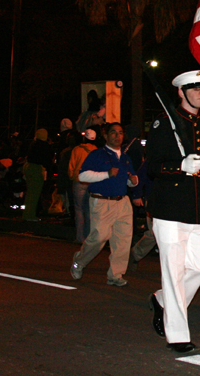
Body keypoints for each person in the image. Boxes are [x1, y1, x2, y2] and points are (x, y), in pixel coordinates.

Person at [144, 70, 200, 354]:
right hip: (170, 208)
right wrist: (179, 168)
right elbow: (152, 166)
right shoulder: (164, 125)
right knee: (173, 272)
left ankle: (163, 300)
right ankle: (177, 334)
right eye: (195, 88)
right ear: (181, 92)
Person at [70, 122, 137, 287]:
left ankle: (116, 274)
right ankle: (80, 261)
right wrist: (106, 174)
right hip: (102, 202)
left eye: (120, 132)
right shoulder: (97, 155)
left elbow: (131, 181)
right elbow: (83, 176)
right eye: (113, 132)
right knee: (99, 237)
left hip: (123, 202)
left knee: (123, 240)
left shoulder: (125, 157)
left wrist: (133, 181)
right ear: (106, 136)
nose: (117, 136)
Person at [69, 128, 98, 243]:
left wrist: (73, 178)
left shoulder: (77, 150)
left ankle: (80, 237)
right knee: (89, 210)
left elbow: (71, 167)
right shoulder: (96, 151)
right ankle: (89, 238)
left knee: (79, 209)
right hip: (92, 182)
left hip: (79, 181)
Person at [22, 129, 53, 221]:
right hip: (37, 169)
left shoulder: (33, 144)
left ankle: (26, 214)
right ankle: (30, 215)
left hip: (28, 168)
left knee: (30, 193)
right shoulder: (44, 146)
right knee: (35, 194)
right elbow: (48, 159)